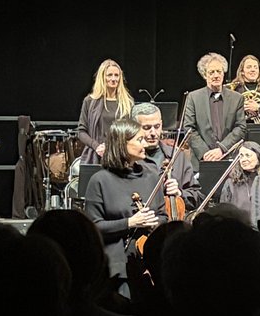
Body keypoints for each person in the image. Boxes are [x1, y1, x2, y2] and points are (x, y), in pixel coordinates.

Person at [83, 117, 169, 292]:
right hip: (116, 268)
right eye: (139, 139)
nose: (145, 143)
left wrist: (155, 222)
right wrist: (130, 223)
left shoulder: (152, 177)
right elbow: (93, 227)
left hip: (149, 263)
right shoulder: (100, 181)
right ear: (122, 143)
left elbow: (163, 217)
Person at [182, 52, 248, 170]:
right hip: (201, 161)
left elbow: (241, 127)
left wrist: (222, 148)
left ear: (223, 73)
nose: (216, 75)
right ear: (204, 75)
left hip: (229, 158)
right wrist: (205, 154)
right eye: (211, 72)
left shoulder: (237, 98)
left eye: (219, 71)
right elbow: (189, 128)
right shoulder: (193, 97)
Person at [133, 102, 202, 213]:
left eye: (157, 126)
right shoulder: (130, 160)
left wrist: (180, 193)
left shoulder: (177, 156)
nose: (153, 133)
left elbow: (197, 196)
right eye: (146, 128)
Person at [76, 59, 134, 165]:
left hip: (120, 157)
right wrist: (96, 146)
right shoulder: (89, 101)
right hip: (95, 156)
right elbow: (81, 132)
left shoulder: (127, 103)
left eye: (116, 75)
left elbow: (131, 132)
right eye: (109, 75)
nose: (113, 79)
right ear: (102, 77)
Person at [225, 54, 260, 124]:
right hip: (239, 131)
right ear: (242, 72)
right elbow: (225, 116)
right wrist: (242, 109)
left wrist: (258, 108)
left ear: (259, 71)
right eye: (249, 67)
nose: (253, 70)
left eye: (255, 67)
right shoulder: (235, 89)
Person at [220, 141, 260, 223]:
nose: (243, 159)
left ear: (259, 157)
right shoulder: (231, 183)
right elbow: (224, 212)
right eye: (241, 156)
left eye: (248, 155)